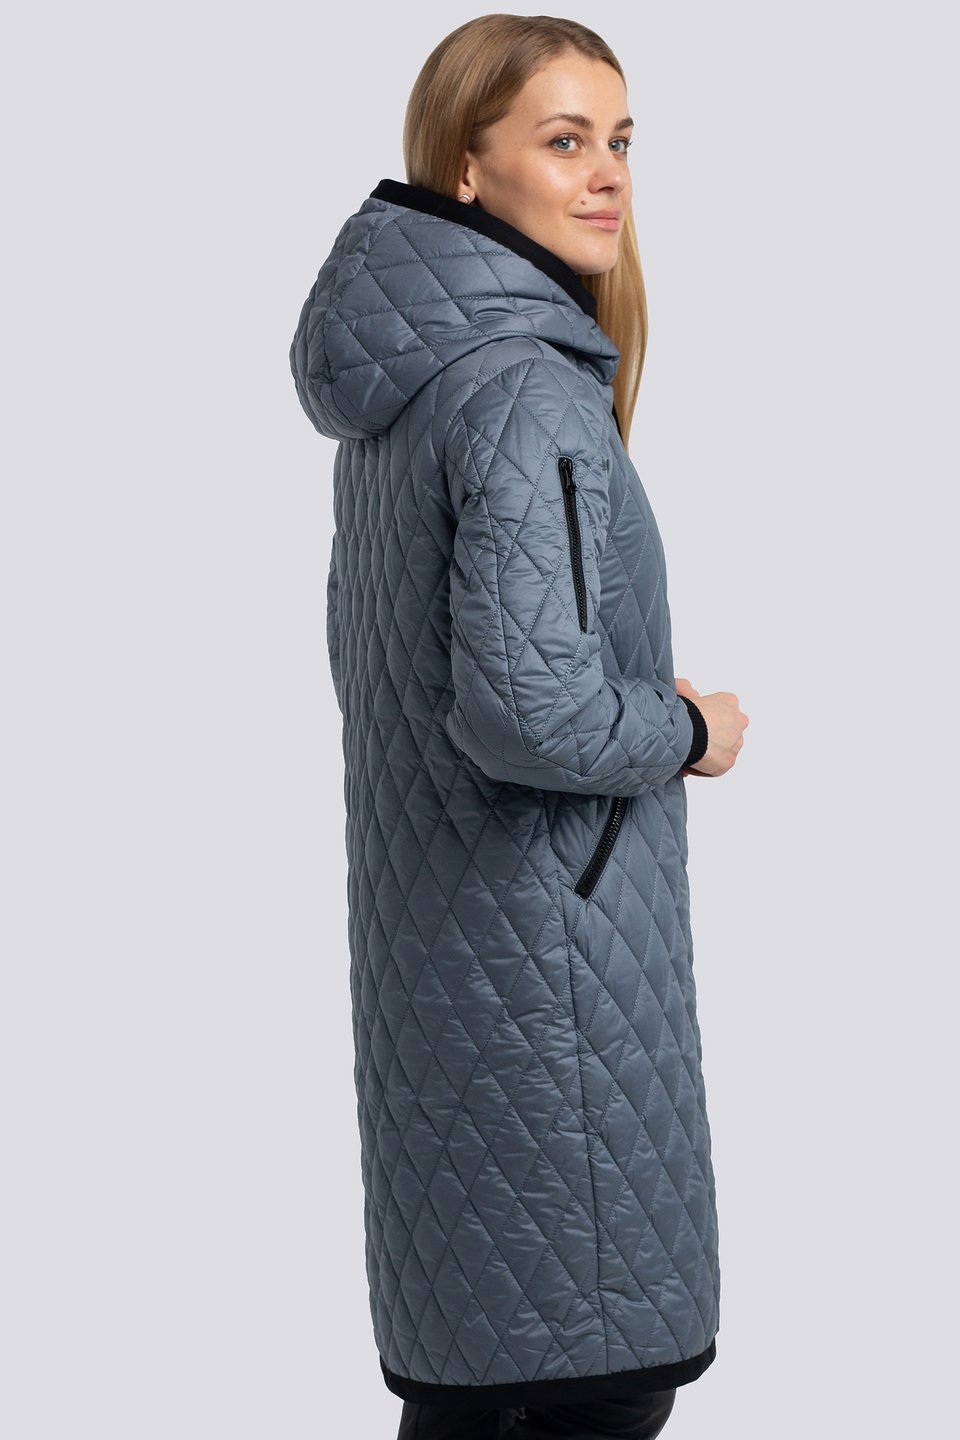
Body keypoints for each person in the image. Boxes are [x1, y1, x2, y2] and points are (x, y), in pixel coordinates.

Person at [289, 15, 748, 1439]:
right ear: (466, 170)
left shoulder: (413, 389)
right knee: (588, 1393)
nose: (607, 174)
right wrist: (686, 727)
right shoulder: (524, 393)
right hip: (556, 984)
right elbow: (528, 710)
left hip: (451, 963)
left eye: (620, 141)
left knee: (487, 1393)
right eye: (564, 140)